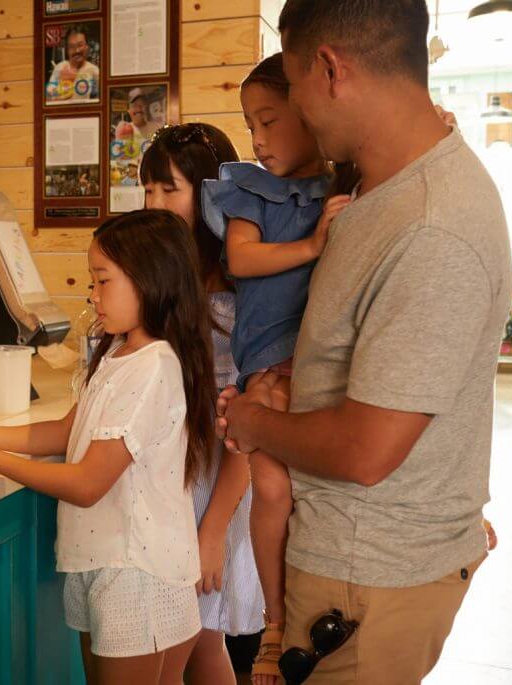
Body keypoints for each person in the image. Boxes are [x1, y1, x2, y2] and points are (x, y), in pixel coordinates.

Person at [218, 2, 512, 683]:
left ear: (329, 69)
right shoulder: (374, 197)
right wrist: (288, 374)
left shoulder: (433, 226)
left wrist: (256, 419)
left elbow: (367, 449)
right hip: (343, 565)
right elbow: (364, 347)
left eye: (291, 85)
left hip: (366, 579)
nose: (293, 108)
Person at [0, 209, 217, 685]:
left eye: (103, 281)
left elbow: (88, 482)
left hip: (136, 574)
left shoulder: (153, 367)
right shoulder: (119, 352)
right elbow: (71, 430)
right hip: (106, 563)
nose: (92, 295)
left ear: (151, 279)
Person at [199, 54, 353, 684]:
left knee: (320, 496)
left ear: (312, 115)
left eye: (269, 121)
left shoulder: (347, 184)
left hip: (322, 370)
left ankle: (300, 611)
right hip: (265, 366)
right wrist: (314, 244)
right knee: (270, 490)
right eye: (248, 123)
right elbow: (242, 260)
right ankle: (273, 621)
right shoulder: (249, 191)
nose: (256, 138)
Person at [141, 122, 265, 685]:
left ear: (210, 193)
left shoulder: (241, 288)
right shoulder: (158, 276)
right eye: (148, 190)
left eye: (170, 189)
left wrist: (213, 529)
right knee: (183, 639)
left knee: (201, 638)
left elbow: (248, 426)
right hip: (166, 489)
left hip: (217, 488)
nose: (155, 204)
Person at [46, 25, 100, 104]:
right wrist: (62, 86)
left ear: (86, 46)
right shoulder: (60, 68)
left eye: (80, 45)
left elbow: (97, 100)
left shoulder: (94, 71)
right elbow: (48, 98)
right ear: (67, 50)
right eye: (72, 46)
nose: (77, 50)